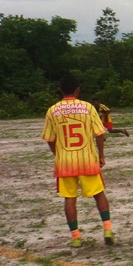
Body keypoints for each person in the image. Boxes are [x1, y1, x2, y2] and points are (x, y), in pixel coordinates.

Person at [43, 75, 116, 248]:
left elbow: (50, 139)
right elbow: (100, 134)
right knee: (99, 194)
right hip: (87, 160)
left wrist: (57, 154)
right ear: (77, 90)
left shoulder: (52, 111)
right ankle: (107, 230)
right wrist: (101, 156)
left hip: (65, 162)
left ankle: (76, 237)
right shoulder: (88, 108)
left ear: (61, 90)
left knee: (69, 198)